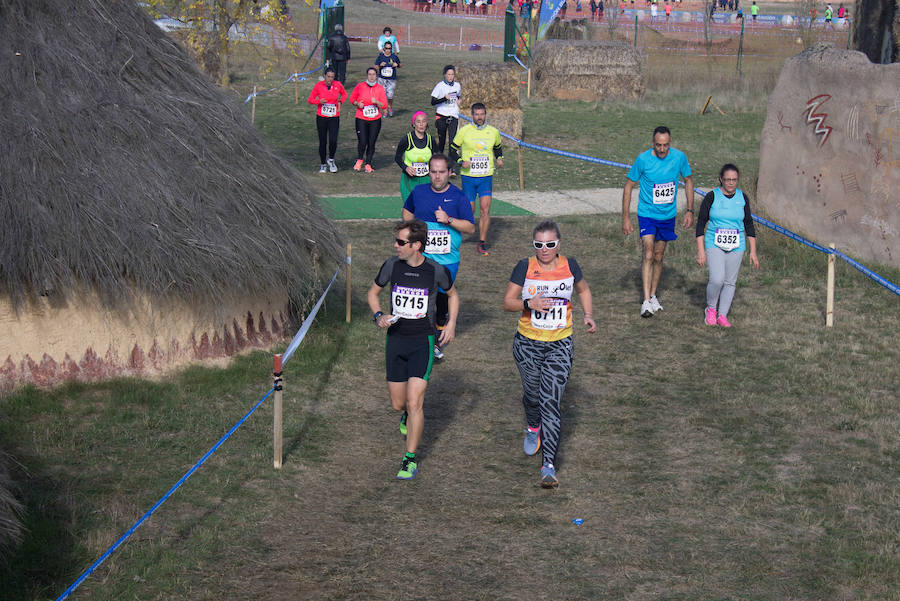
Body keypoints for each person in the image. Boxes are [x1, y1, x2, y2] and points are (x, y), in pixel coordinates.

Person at [502, 220, 596, 489]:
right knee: (532, 396)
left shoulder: (570, 265)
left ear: (559, 244)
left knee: (550, 402)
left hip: (559, 345)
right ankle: (533, 427)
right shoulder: (525, 267)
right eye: (539, 245)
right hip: (527, 344)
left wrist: (588, 315)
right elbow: (507, 302)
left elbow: (584, 289)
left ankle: (548, 466)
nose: (544, 250)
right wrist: (528, 303)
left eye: (550, 244)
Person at [367, 219, 459, 480]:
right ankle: (405, 414)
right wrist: (378, 316)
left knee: (415, 401)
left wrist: (450, 324)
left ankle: (409, 459)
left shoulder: (435, 271)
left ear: (416, 245)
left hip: (423, 341)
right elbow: (372, 294)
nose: (395, 246)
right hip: (396, 340)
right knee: (399, 404)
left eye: (400, 242)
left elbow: (452, 295)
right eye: (396, 241)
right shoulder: (391, 266)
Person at [401, 154, 475, 358]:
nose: (437, 176)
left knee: (442, 303)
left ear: (450, 173)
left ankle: (438, 333)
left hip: (448, 261)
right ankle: (428, 341)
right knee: (423, 300)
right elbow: (406, 211)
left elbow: (470, 228)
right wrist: (412, 229)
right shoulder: (419, 192)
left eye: (442, 172)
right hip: (423, 258)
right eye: (433, 172)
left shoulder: (459, 197)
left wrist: (449, 219)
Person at [622, 125, 694, 318]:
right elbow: (628, 186)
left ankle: (653, 295)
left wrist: (689, 210)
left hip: (667, 216)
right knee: (647, 252)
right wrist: (626, 217)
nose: (662, 149)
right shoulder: (643, 159)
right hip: (646, 214)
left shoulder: (679, 158)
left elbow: (688, 180)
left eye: (665, 145)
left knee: (659, 256)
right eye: (658, 145)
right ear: (652, 143)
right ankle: (645, 302)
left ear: (670, 143)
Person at [695, 164, 759, 327]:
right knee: (717, 279)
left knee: (730, 281)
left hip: (737, 245)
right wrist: (701, 251)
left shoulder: (742, 197)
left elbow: (749, 224)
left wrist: (753, 251)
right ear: (721, 179)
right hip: (714, 243)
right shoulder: (711, 196)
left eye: (734, 180)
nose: (731, 183)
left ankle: (722, 315)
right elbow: (701, 224)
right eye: (728, 180)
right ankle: (711, 309)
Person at [449, 103, 503, 256]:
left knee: (485, 210)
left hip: (485, 177)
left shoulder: (493, 132)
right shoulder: (464, 131)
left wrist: (499, 158)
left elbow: (498, 147)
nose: (480, 117)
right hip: (469, 177)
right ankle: (454, 236)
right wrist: (460, 162)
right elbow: (452, 150)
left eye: (482, 114)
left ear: (486, 114)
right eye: (477, 114)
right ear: (472, 115)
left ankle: (481, 243)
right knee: (469, 212)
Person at [307, 67, 347, 174]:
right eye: (328, 77)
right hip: (322, 116)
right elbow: (310, 99)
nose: (330, 79)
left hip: (334, 116)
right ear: (325, 76)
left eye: (332, 77)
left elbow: (344, 94)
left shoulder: (337, 85)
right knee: (323, 141)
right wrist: (319, 101)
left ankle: (331, 160)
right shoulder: (318, 86)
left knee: (333, 140)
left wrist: (340, 101)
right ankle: (323, 164)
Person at [349, 67, 387, 172]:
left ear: (376, 76)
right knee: (362, 141)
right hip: (361, 118)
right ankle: (360, 160)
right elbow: (352, 99)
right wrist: (357, 103)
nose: (371, 76)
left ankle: (368, 164)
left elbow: (384, 105)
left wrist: (377, 102)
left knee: (371, 142)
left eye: (373, 74)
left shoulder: (380, 88)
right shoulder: (360, 86)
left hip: (375, 119)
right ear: (367, 75)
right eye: (369, 74)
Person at [396, 111, 436, 202]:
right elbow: (397, 158)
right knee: (410, 208)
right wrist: (406, 168)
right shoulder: (406, 139)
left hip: (426, 178)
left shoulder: (431, 140)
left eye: (424, 121)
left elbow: (438, 158)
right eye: (418, 122)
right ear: (413, 124)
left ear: (427, 123)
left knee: (425, 207)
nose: (421, 124)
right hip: (409, 179)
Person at [431, 65, 462, 156]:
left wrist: (459, 100)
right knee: (442, 141)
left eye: (452, 74)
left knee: (453, 142)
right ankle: (438, 160)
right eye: (448, 74)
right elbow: (433, 102)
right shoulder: (440, 86)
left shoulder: (457, 85)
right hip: (441, 115)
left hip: (453, 115)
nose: (450, 77)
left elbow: (458, 95)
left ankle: (450, 165)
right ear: (445, 75)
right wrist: (444, 98)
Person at [374, 41, 401, 118]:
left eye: (389, 48)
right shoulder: (380, 56)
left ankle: (390, 107)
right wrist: (380, 65)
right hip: (381, 79)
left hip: (391, 79)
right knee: (382, 95)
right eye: (386, 48)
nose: (388, 50)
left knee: (390, 96)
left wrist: (397, 65)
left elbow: (400, 64)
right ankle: (385, 111)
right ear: (384, 48)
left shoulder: (394, 57)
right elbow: (375, 66)